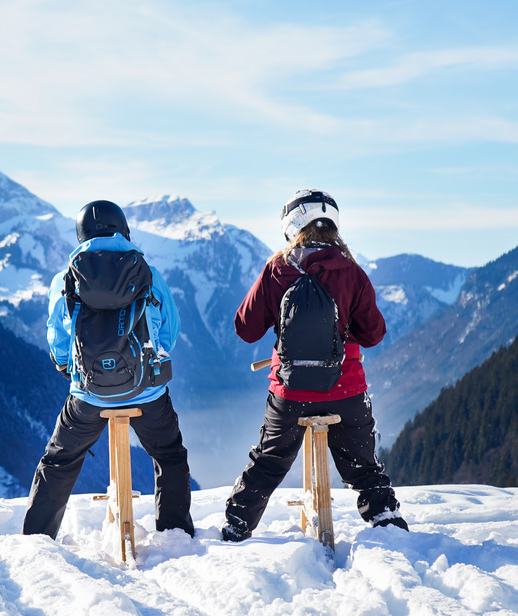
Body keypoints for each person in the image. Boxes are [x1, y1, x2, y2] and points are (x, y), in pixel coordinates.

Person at [224, 189, 408, 541]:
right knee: (365, 469)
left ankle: (236, 528)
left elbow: (245, 329)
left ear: (291, 225)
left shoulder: (277, 269)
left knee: (268, 462)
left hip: (290, 394)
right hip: (345, 390)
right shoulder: (351, 272)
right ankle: (388, 526)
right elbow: (373, 335)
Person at [22, 200, 195, 539]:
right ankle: (175, 534)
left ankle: (38, 539)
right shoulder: (146, 271)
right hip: (147, 392)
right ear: (123, 228)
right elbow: (170, 333)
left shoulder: (65, 277)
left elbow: (57, 336)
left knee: (58, 461)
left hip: (88, 395)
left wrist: (67, 367)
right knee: (170, 455)